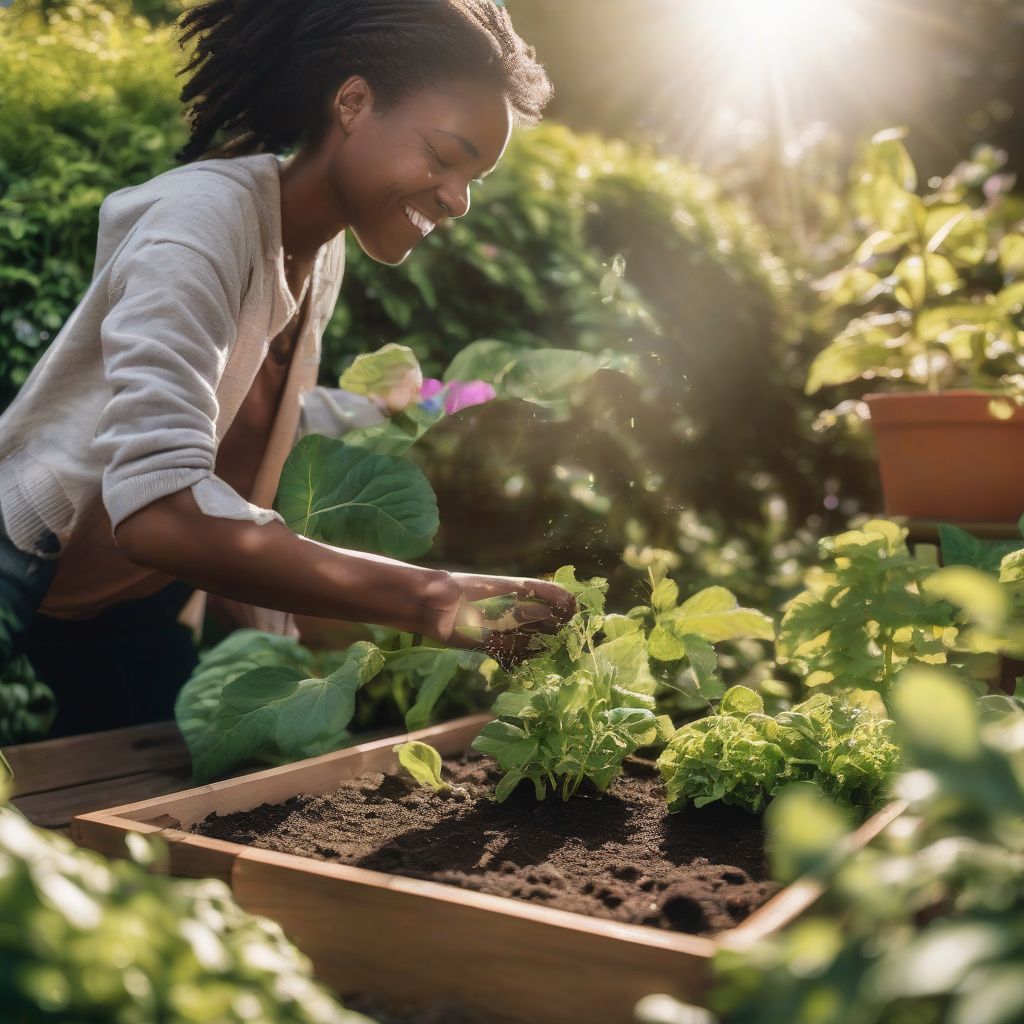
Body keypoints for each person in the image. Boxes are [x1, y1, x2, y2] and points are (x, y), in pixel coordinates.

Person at [0, 0, 574, 738]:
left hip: (126, 593)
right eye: (443, 154)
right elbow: (158, 509)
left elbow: (240, 411)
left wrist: (390, 411)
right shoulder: (200, 220)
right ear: (354, 102)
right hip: (25, 545)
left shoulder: (320, 253)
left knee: (143, 801)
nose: (456, 199)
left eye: (474, 177)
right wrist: (430, 598)